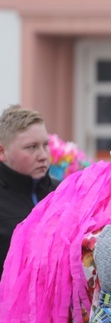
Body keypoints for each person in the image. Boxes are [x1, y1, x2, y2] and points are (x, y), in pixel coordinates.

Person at [0, 104, 58, 278]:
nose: (43, 155)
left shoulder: (63, 193)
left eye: (45, 145)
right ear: (2, 151)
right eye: (31, 147)